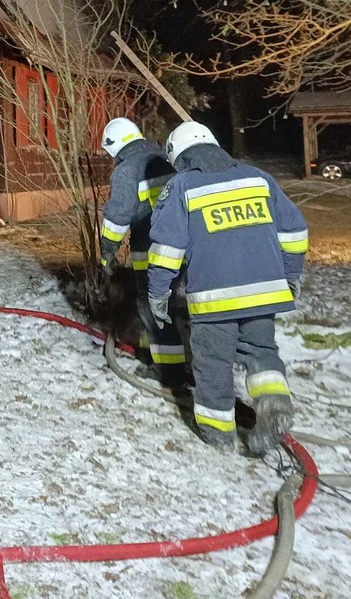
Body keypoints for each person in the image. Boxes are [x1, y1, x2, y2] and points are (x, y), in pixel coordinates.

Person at [146, 122, 308, 455]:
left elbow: (166, 249)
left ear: (179, 157)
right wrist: (290, 278)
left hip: (215, 297)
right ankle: (274, 405)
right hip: (266, 292)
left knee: (212, 360)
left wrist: (158, 292)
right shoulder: (258, 178)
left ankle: (218, 431)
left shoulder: (182, 186)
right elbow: (294, 232)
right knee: (261, 352)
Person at [98, 117, 186, 388]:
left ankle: (171, 374)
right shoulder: (164, 158)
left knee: (153, 307)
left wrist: (107, 253)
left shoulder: (127, 170)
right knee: (165, 307)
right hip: (184, 247)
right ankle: (152, 355)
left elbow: (117, 217)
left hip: (152, 250)